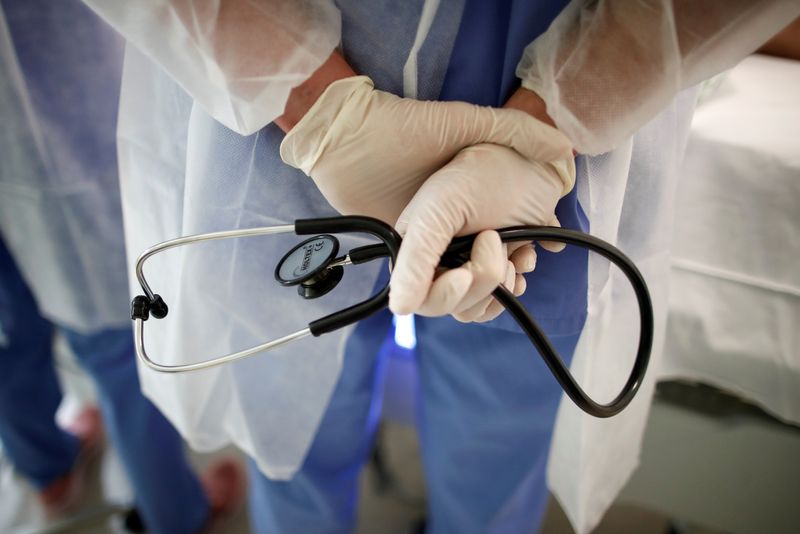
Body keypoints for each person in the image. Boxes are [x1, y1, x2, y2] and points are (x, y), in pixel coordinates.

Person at [82, 1, 799, 532]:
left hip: (546, 183)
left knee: (488, 470)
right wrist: (318, 109)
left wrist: (551, 122)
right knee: (295, 443)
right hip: (273, 133)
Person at [0, 1, 242, 532]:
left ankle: (47, 468)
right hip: (43, 116)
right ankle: (177, 515)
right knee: (116, 338)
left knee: (8, 322)